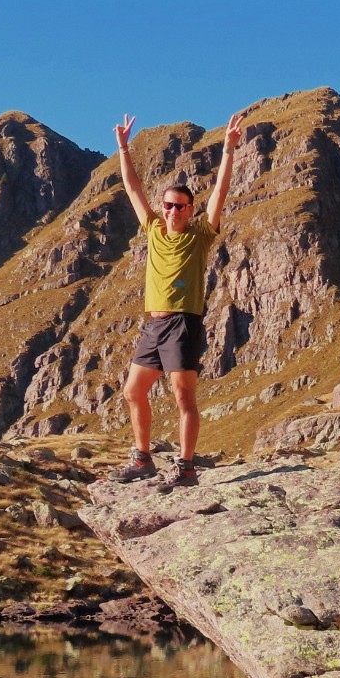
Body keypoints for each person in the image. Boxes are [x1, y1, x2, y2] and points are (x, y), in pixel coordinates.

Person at [106, 110, 244, 483]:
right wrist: (123, 148)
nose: (171, 211)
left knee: (184, 397)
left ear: (190, 210)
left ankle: (185, 467)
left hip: (184, 322)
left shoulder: (200, 234)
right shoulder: (152, 228)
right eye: (167, 205)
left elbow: (220, 193)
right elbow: (132, 188)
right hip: (155, 323)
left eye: (179, 206)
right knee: (133, 391)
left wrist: (229, 151)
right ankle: (142, 460)